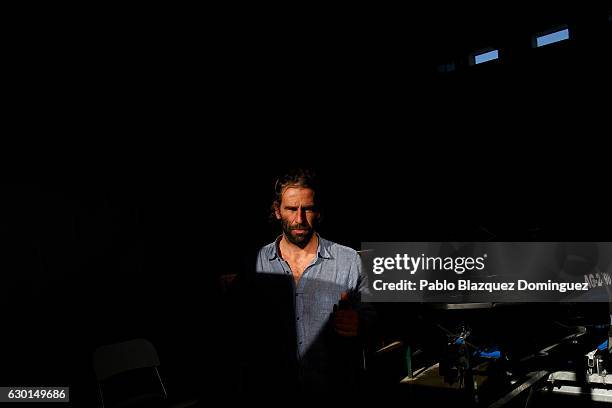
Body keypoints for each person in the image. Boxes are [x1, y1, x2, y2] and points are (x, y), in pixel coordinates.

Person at [253, 168, 373, 395]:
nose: (299, 219)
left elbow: (372, 315)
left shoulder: (348, 260)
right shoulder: (257, 263)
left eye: (307, 209)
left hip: (334, 389)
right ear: (277, 211)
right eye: (291, 209)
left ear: (317, 212)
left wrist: (360, 322)